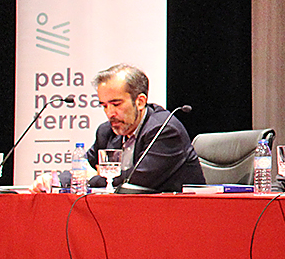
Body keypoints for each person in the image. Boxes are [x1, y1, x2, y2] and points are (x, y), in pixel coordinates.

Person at [86, 63, 205, 192]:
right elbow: (80, 167)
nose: (110, 113)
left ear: (140, 102)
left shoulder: (165, 130)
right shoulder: (106, 131)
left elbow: (135, 181)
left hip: (175, 209)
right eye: (104, 106)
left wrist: (93, 179)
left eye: (116, 104)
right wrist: (79, 175)